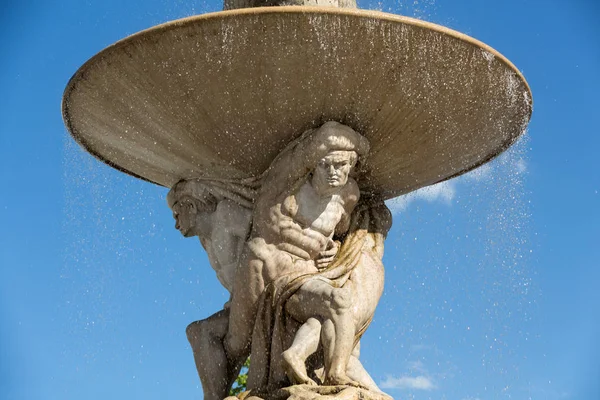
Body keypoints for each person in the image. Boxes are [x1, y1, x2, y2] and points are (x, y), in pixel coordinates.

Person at [209, 121, 370, 397]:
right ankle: (333, 372)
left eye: (341, 165)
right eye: (326, 165)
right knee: (238, 342)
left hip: (311, 276)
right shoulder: (288, 188)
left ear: (351, 166)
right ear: (312, 164)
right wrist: (314, 245)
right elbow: (266, 222)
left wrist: (332, 248)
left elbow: (341, 231)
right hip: (271, 271)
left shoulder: (349, 195)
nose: (333, 172)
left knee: (330, 310)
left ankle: (318, 364)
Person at [167, 178, 256, 399]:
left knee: (201, 331)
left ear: (192, 206)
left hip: (258, 295)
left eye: (177, 215)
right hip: (237, 305)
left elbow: (264, 231)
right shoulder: (205, 240)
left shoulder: (225, 213)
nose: (176, 224)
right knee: (198, 332)